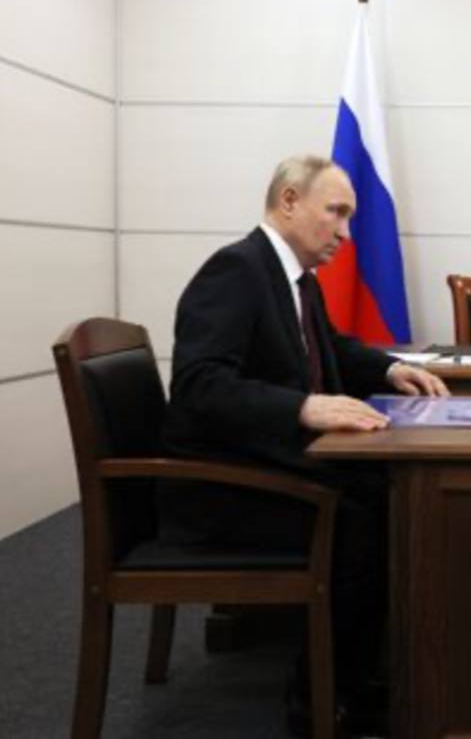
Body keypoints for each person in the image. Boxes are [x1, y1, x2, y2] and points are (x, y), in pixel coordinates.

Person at [160, 154, 448, 735]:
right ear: (289, 201)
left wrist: (391, 369)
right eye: (335, 213)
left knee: (386, 492)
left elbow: (331, 348)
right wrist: (301, 406)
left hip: (269, 463)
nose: (345, 233)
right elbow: (199, 387)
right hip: (220, 489)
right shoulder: (236, 270)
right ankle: (323, 700)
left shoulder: (293, 278)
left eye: (349, 218)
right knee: (366, 515)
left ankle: (360, 674)